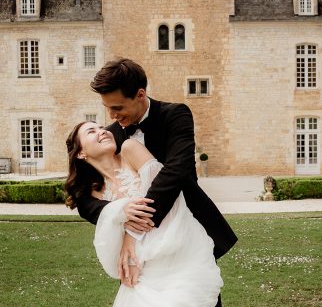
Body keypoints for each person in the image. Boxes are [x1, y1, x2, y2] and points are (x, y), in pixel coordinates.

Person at [72, 58, 237, 306]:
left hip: (185, 233)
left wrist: (132, 231)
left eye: (117, 107)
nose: (112, 116)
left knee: (198, 298)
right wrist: (120, 211)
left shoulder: (175, 114)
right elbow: (85, 200)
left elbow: (176, 172)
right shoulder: (111, 134)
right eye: (107, 108)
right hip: (143, 257)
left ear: (140, 95)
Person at [65, 121, 223, 306]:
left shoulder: (130, 149)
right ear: (81, 153)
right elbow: (94, 216)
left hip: (178, 247)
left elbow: (166, 196)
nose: (102, 131)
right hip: (142, 266)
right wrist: (119, 210)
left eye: (102, 127)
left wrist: (129, 234)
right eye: (92, 131)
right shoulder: (93, 193)